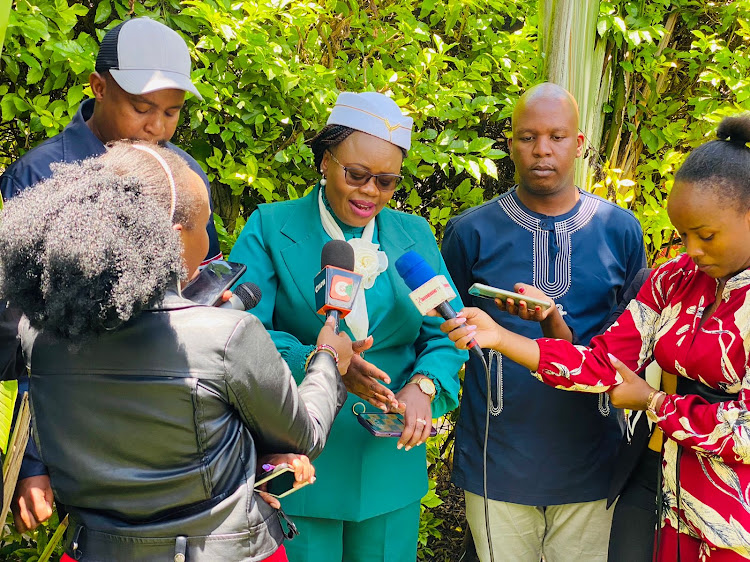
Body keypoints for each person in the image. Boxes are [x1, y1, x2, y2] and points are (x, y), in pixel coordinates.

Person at [0, 141, 354, 561]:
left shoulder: (40, 338)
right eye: (203, 227)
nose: (208, 243)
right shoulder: (226, 335)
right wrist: (327, 357)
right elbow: (305, 434)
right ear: (170, 239)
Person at [439, 114, 750, 560]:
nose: (691, 251)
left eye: (706, 236)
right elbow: (602, 363)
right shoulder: (674, 280)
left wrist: (654, 403)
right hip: (667, 505)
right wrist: (501, 337)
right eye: (683, 235)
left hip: (735, 517)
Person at [0, 16, 223, 533]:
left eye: (171, 112)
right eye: (142, 108)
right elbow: (19, 332)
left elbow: (199, 289)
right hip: (68, 428)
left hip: (158, 428)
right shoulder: (40, 176)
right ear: (99, 88)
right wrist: (32, 462)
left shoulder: (183, 173)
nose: (158, 128)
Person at [228, 91, 468, 561]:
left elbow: (445, 330)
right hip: (300, 461)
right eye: (356, 175)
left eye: (386, 181)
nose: (369, 192)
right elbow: (239, 332)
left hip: (388, 461)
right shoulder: (271, 226)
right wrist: (324, 361)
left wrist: (424, 386)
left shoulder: (412, 234)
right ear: (323, 160)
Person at [441, 82, 646, 562]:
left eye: (556, 136)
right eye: (528, 137)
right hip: (498, 449)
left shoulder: (619, 230)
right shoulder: (471, 231)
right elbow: (441, 333)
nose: (541, 150)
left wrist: (557, 324)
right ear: (511, 143)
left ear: (578, 144)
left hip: (593, 453)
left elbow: (633, 343)